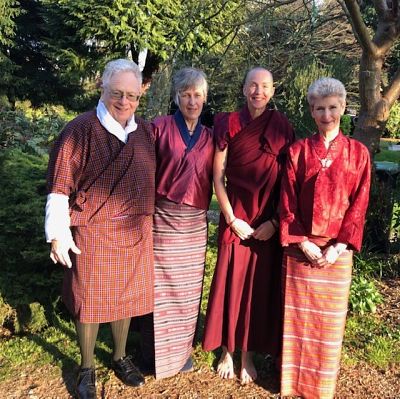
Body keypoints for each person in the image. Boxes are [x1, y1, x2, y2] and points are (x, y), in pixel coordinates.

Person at [45, 59, 155, 399]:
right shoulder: (78, 130)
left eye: (132, 96)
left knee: (123, 300)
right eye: (117, 93)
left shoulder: (146, 132)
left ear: (140, 97)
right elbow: (59, 186)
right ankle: (87, 366)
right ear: (102, 89)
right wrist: (57, 233)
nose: (125, 102)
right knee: (90, 300)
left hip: (136, 232)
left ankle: (120, 357)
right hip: (93, 232)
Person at [279, 77, 371, 399]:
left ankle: (321, 389)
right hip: (300, 250)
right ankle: (292, 385)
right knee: (298, 322)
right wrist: (301, 241)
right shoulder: (296, 151)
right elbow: (287, 201)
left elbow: (359, 204)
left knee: (327, 327)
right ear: (311, 110)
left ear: (343, 108)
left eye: (333, 108)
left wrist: (338, 247)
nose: (327, 115)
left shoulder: (359, 154)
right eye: (320, 108)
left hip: (337, 253)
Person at [202, 67, 295, 385]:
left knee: (256, 288)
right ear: (244, 89)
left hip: (265, 224)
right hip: (236, 219)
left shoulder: (282, 127)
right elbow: (218, 176)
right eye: (252, 85)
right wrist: (230, 218)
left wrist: (273, 222)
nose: (258, 91)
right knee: (230, 284)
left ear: (272, 91)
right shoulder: (228, 123)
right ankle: (227, 350)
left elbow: (288, 183)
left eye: (265, 86)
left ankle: (248, 356)